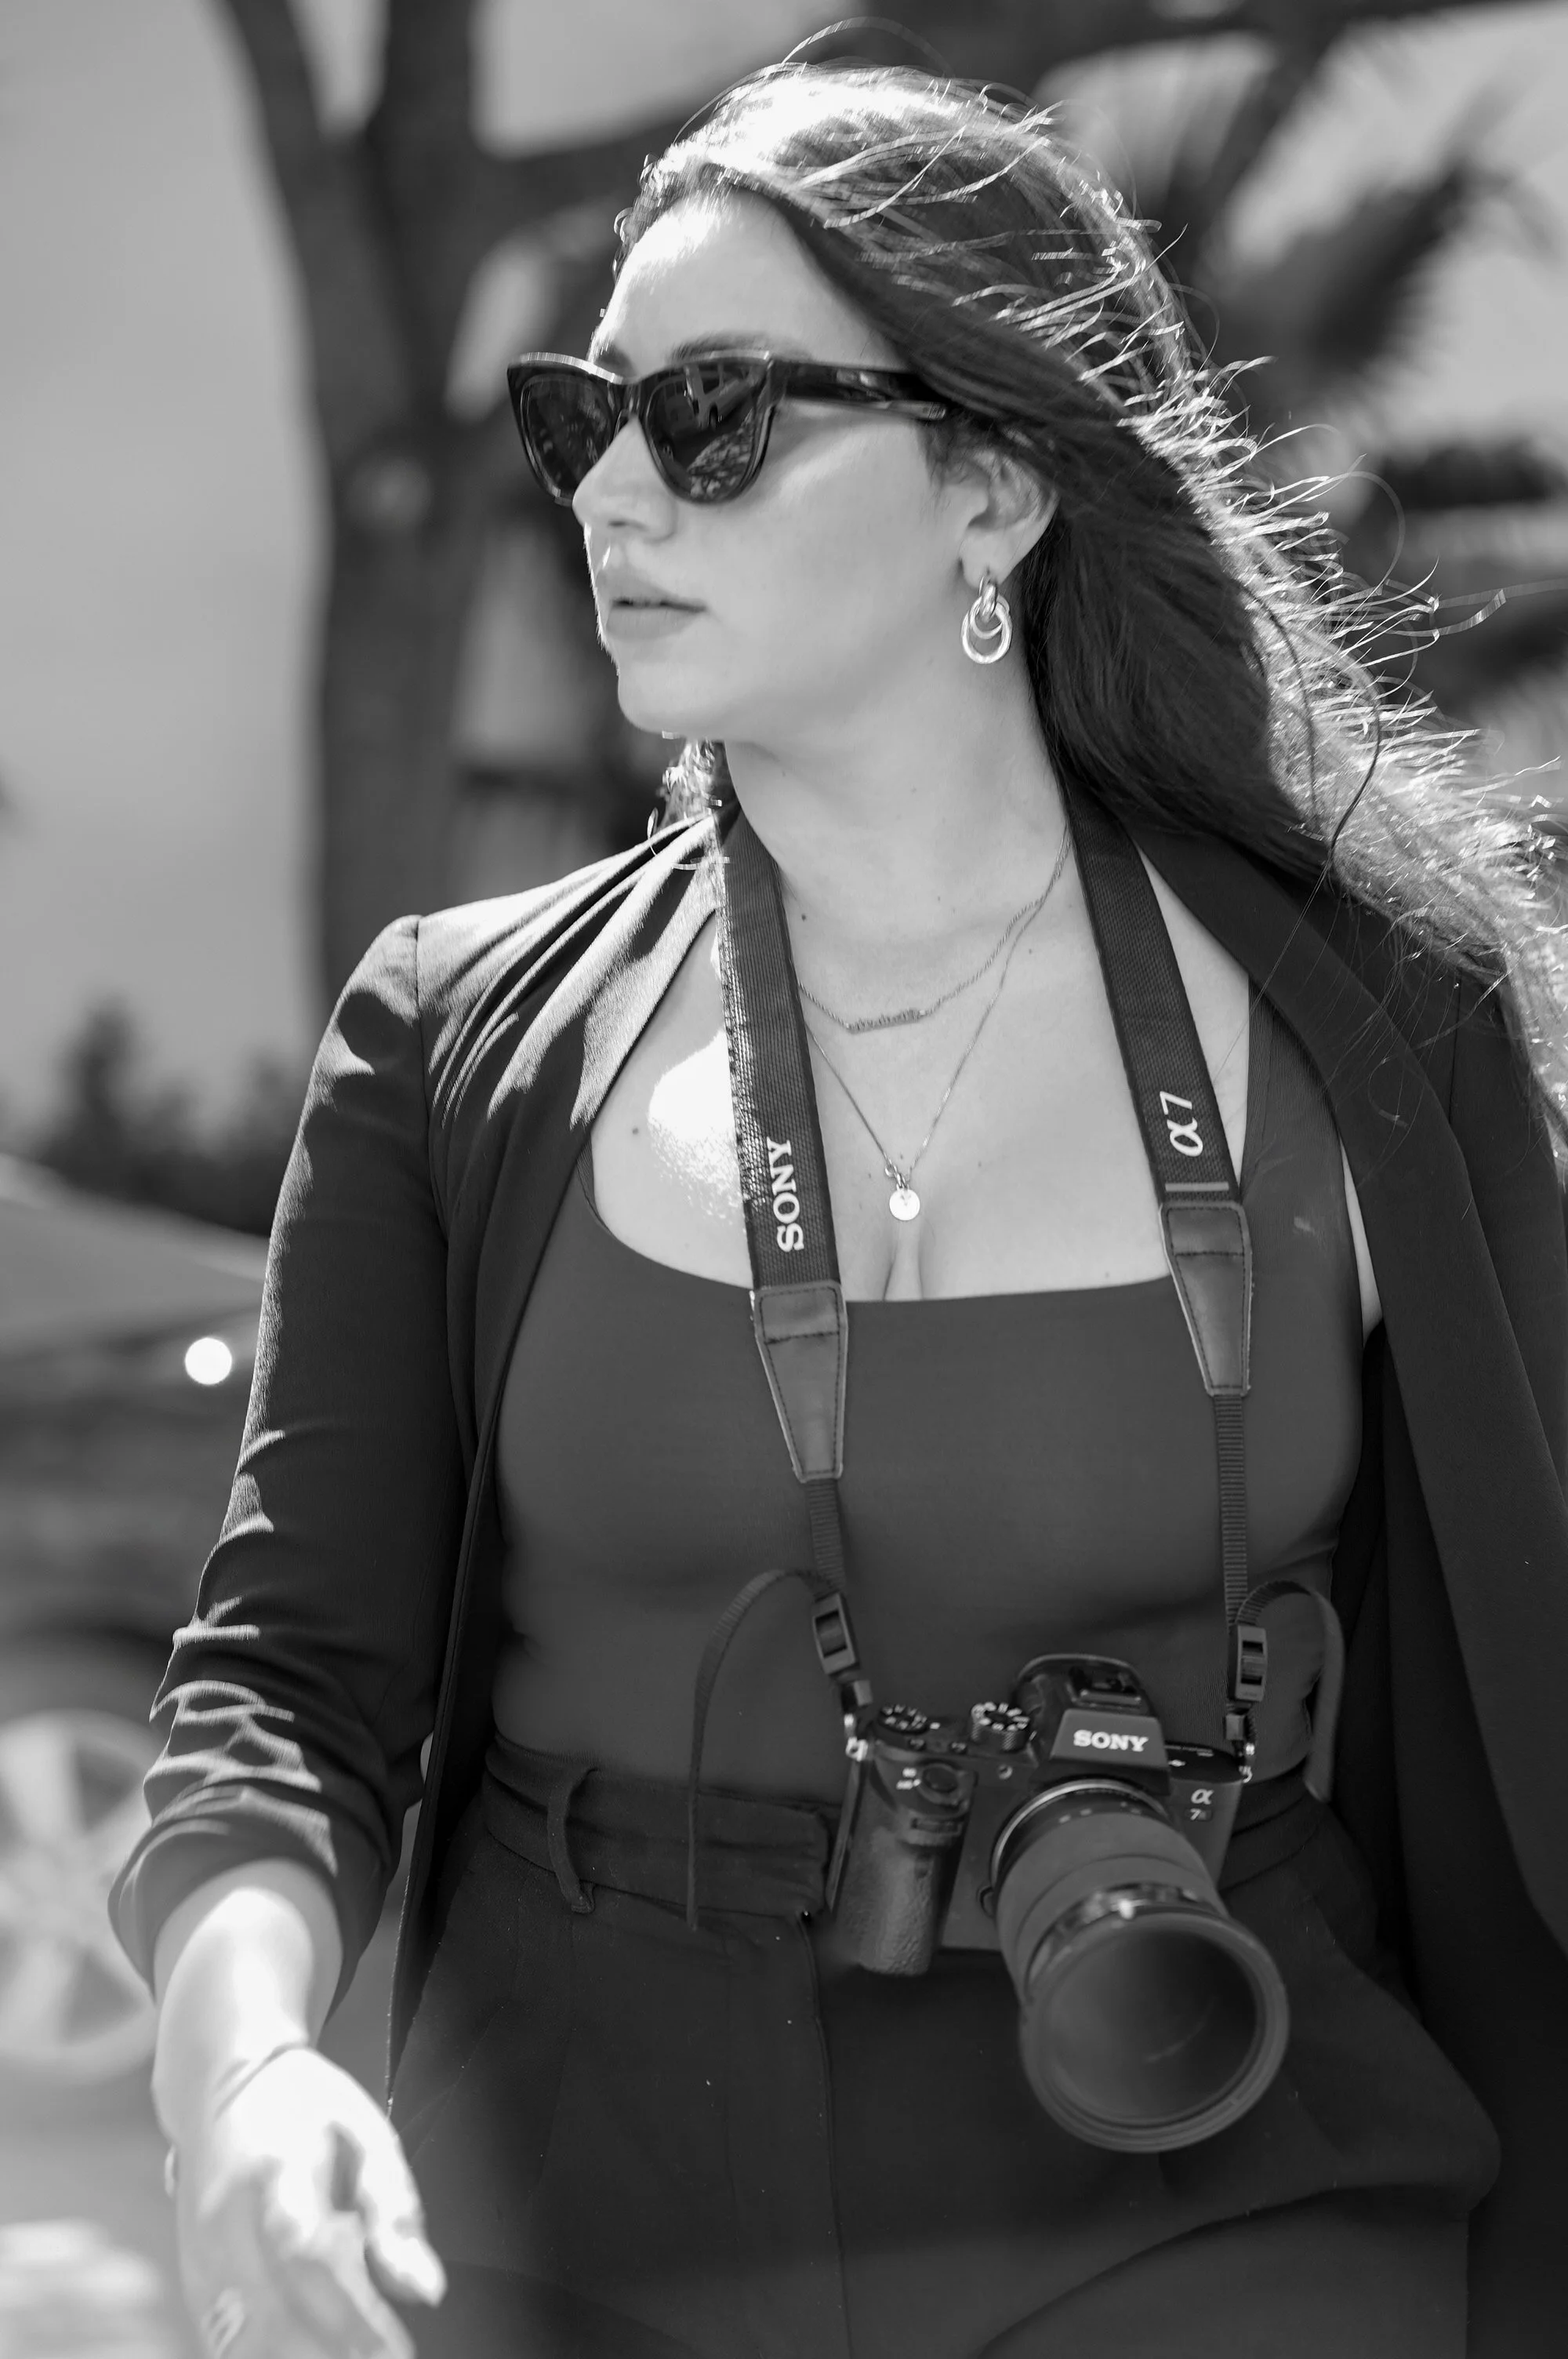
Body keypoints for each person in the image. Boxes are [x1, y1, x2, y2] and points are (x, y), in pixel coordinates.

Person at [111, 61, 1568, 2359]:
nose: (609, 489)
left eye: (712, 416)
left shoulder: (1379, 1029)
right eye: (579, 413)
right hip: (559, 2200)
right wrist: (245, 2078)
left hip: (1223, 2151)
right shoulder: (451, 1038)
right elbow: (288, 1689)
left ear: (995, 484)